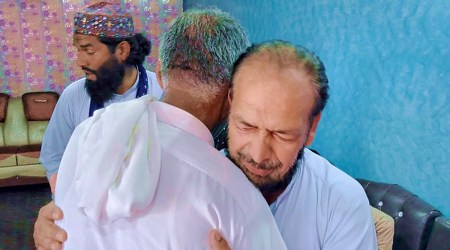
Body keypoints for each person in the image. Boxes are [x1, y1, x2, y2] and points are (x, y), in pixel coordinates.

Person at [35, 8, 286, 250]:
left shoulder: (86, 136)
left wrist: (62, 215)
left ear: (161, 75)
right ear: (235, 92)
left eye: (89, 50)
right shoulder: (236, 196)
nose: (81, 60)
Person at [211, 40, 377, 249]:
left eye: (281, 135)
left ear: (312, 126)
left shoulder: (341, 202)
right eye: (246, 126)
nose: (258, 154)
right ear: (230, 104)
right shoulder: (198, 184)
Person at [40, 2, 163, 193]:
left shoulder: (161, 92)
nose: (80, 61)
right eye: (78, 50)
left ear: (122, 50)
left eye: (89, 51)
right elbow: (54, 156)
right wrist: (66, 202)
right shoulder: (73, 96)